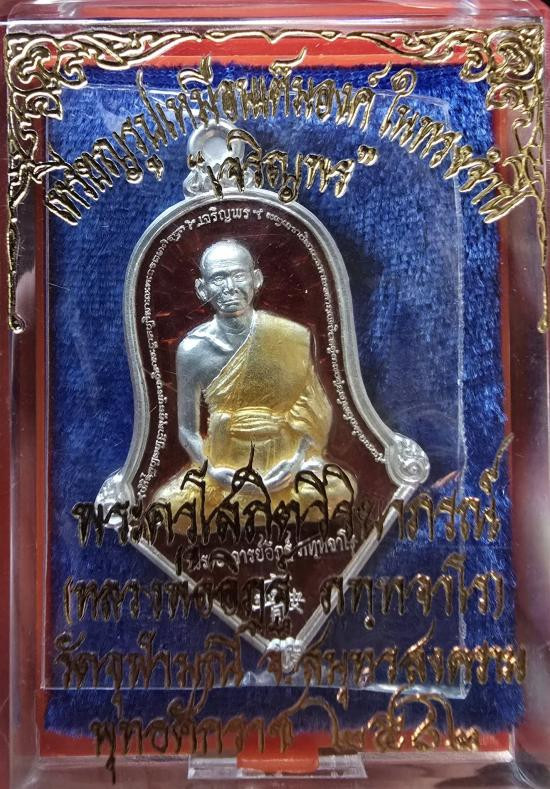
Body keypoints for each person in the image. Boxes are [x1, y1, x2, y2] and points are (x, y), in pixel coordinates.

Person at [153, 238, 353, 524]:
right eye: (218, 278)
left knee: (339, 490)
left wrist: (297, 461)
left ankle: (251, 513)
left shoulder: (291, 336)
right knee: (167, 510)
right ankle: (264, 512)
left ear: (256, 279)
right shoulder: (193, 350)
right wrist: (213, 471)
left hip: (287, 464)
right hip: (223, 465)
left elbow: (314, 413)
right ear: (202, 288)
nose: (229, 287)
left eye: (238, 275)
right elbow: (187, 429)